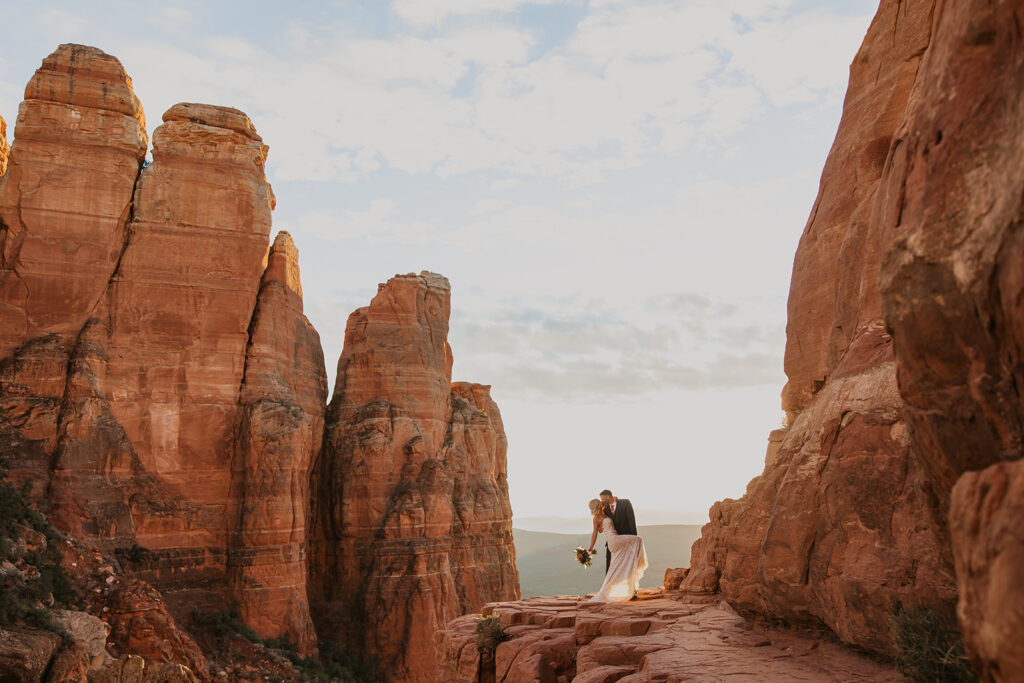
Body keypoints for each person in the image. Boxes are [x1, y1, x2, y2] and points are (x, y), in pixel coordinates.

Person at [586, 498, 648, 603]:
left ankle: (625, 588)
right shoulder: (596, 518)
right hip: (614, 540)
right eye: (599, 501)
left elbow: (612, 503)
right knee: (638, 540)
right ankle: (637, 565)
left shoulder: (604, 512)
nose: (601, 502)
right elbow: (595, 534)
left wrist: (615, 499)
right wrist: (591, 547)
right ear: (597, 505)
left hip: (615, 541)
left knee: (615, 567)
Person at [600, 489, 637, 574]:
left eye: (602, 499)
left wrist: (633, 538)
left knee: (626, 565)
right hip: (612, 542)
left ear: (608, 497)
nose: (602, 501)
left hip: (626, 540)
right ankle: (608, 585)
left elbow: (631, 521)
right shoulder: (605, 509)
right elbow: (601, 527)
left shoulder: (625, 503)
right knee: (609, 565)